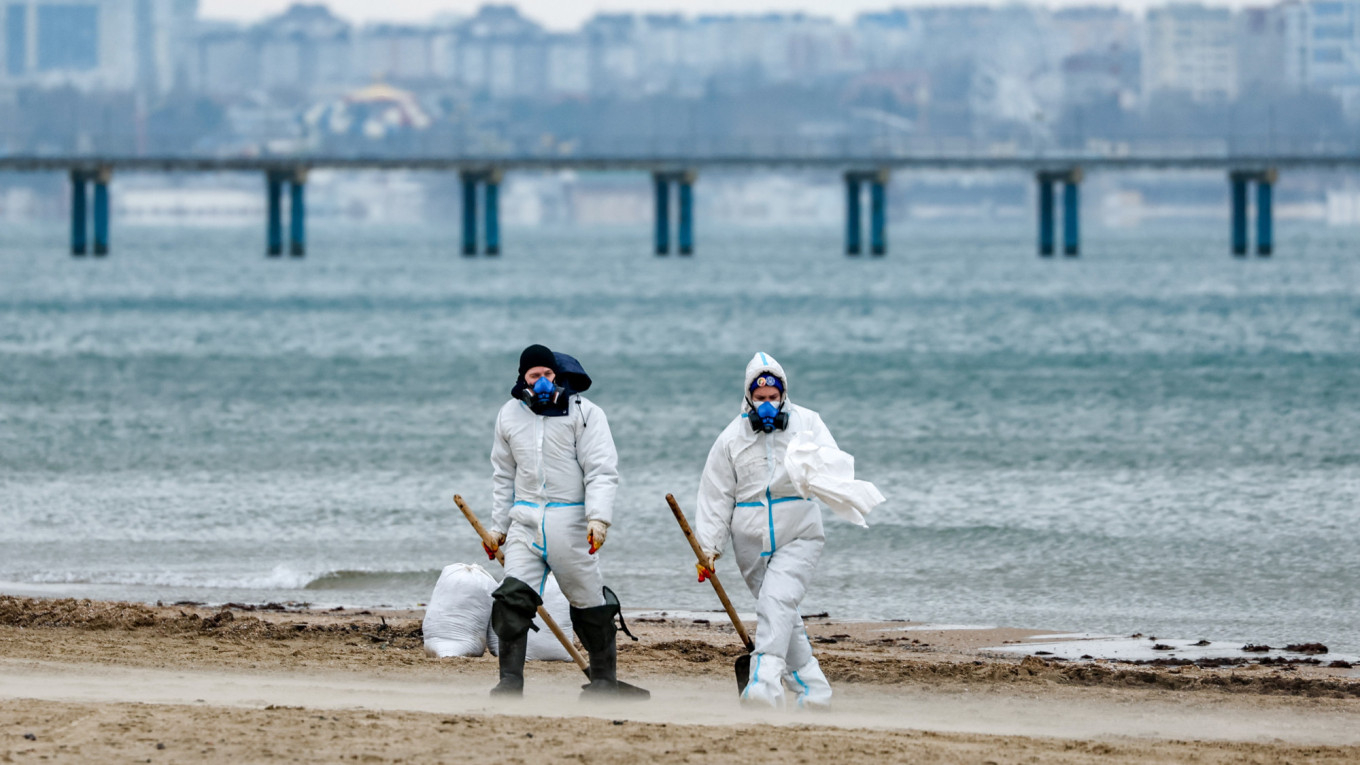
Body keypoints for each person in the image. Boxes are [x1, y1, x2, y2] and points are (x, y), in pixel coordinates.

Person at [694, 352, 841, 709]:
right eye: (759, 399)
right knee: (781, 613)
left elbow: (832, 465)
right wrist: (709, 548)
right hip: (750, 542)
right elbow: (715, 495)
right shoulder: (731, 438)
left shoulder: (808, 424)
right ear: (749, 398)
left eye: (772, 398)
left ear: (783, 395)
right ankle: (813, 691)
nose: (767, 405)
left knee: (775, 603)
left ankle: (763, 685)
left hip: (800, 532)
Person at [483, 344, 623, 698]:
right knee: (511, 600)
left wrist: (599, 518)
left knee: (590, 603)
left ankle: (605, 681)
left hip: (571, 521)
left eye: (548, 375)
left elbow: (601, 471)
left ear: (557, 375)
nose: (543, 381)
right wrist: (498, 527)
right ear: (522, 379)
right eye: (535, 376)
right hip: (525, 520)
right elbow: (502, 475)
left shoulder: (585, 414)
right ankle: (510, 682)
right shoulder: (509, 416)